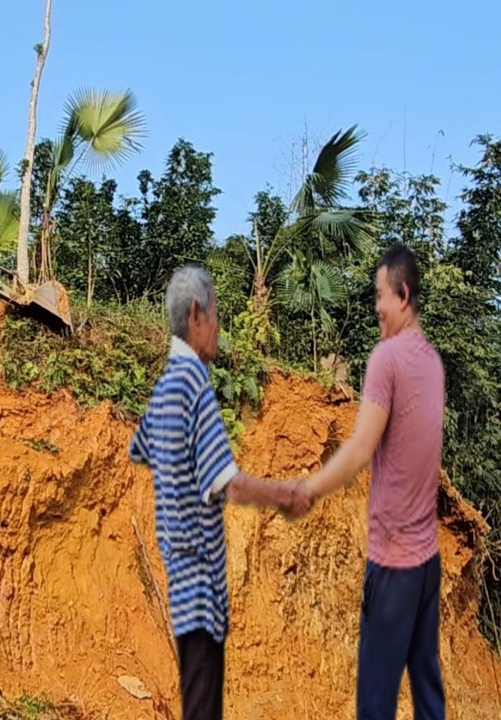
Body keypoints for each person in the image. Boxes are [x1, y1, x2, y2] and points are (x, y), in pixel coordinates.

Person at [128, 265, 307, 720]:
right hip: (201, 583)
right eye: (216, 318)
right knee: (204, 706)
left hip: (179, 572)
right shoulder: (193, 384)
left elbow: (141, 447)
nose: (219, 330)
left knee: (197, 697)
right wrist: (286, 495)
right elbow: (230, 484)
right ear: (195, 316)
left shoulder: (166, 385)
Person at [299, 244, 445, 720]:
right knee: (426, 686)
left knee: (376, 699)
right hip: (427, 563)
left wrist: (311, 488)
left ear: (402, 295)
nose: (376, 306)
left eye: (380, 295)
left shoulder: (388, 358)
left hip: (395, 562)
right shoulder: (432, 363)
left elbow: (362, 449)